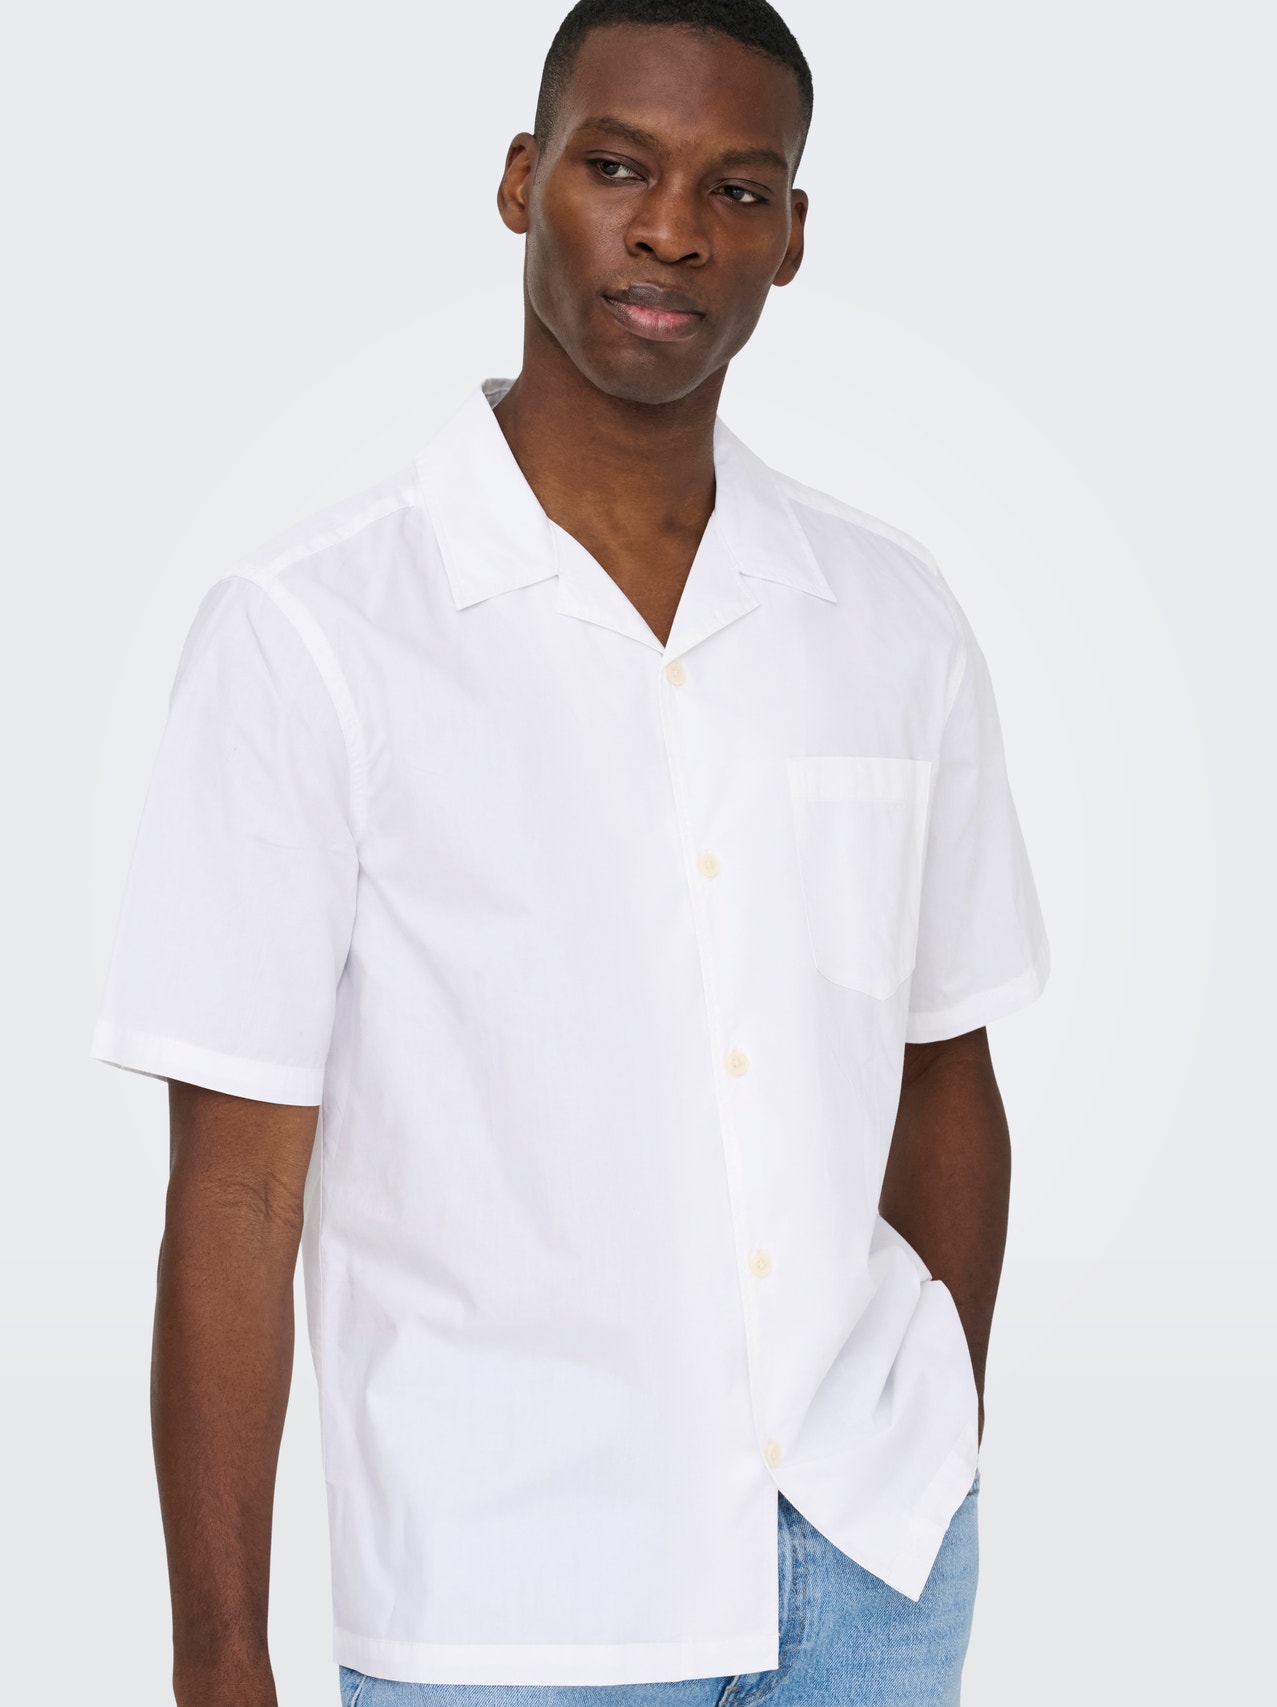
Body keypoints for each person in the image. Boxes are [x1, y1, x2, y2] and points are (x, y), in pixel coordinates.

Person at [90, 1, 1050, 1702]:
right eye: (620, 168)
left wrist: (936, 1428)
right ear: (523, 180)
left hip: (875, 1571)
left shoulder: (893, 618)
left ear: (793, 235)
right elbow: (235, 1192)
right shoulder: (311, 638)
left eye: (738, 189)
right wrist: (219, 1655)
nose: (675, 229)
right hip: (508, 1605)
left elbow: (945, 1071)